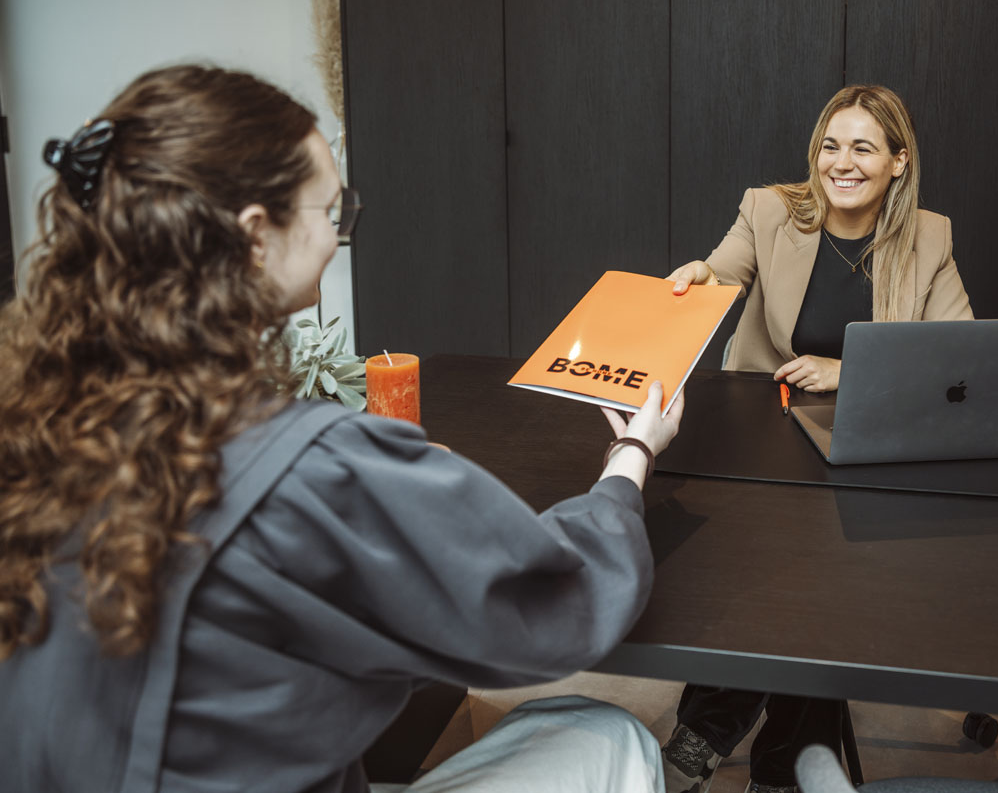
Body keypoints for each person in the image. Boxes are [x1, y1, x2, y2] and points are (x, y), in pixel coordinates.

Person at [0, 64, 684, 793]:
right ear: (256, 234)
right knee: (603, 732)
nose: (336, 237)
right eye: (330, 211)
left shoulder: (37, 426)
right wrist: (630, 456)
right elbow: (557, 608)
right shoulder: (311, 471)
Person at [662, 84, 973, 793]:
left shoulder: (928, 238)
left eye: (863, 147)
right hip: (760, 426)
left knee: (821, 586)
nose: (841, 162)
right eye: (831, 145)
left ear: (898, 161)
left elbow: (959, 361)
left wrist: (851, 369)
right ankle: (779, 761)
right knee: (771, 568)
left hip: (860, 440)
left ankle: (717, 728)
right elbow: (724, 268)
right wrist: (699, 277)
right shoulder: (771, 210)